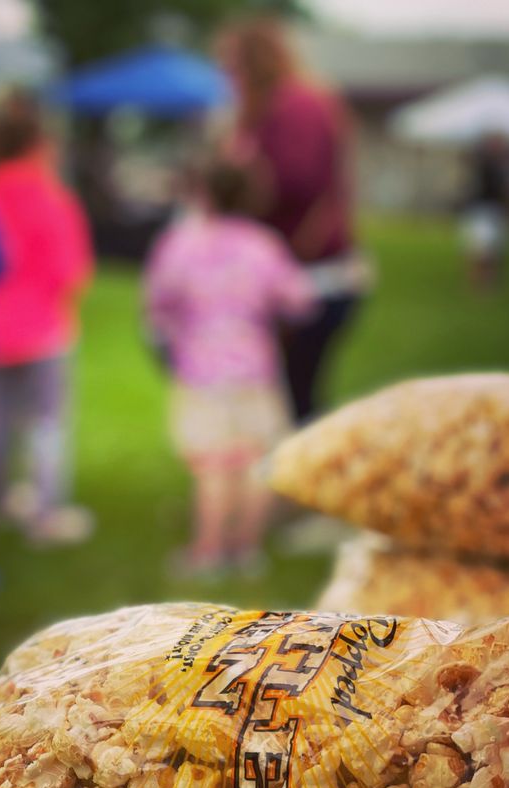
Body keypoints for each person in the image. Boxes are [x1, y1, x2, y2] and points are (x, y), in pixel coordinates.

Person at [144, 159, 315, 577]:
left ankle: (208, 551)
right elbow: (299, 300)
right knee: (255, 457)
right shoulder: (264, 244)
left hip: (200, 368)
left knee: (212, 462)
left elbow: (159, 302)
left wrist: (173, 334)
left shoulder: (180, 244)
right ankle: (245, 549)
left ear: (204, 194)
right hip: (255, 365)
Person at [218, 16, 362, 421]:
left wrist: (235, 178)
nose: (228, 78)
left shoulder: (295, 106)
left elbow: (296, 181)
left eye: (233, 66)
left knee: (295, 400)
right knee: (288, 396)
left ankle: (302, 463)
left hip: (313, 274)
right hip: (299, 271)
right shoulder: (283, 105)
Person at [0, 93, 94, 544]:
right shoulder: (53, 197)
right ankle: (46, 513)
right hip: (44, 328)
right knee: (47, 424)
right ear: (37, 146)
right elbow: (72, 272)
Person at [461, 133, 509, 289]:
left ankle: (486, 281)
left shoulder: (499, 165)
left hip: (493, 210)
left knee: (491, 250)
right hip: (484, 210)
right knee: (482, 250)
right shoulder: (486, 165)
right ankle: (480, 281)